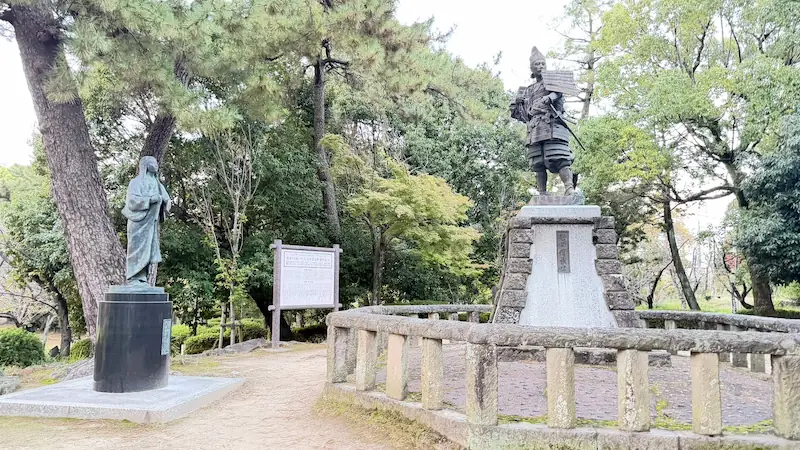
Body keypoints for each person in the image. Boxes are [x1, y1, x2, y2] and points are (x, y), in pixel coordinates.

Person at [511, 46, 577, 196]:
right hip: (535, 128)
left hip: (552, 125)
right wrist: (519, 102)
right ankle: (542, 193)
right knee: (537, 161)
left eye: (542, 64)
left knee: (559, 156)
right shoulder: (528, 89)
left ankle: (569, 188)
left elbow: (558, 92)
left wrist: (550, 98)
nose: (540, 67)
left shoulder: (552, 81)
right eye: (537, 64)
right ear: (531, 68)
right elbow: (522, 113)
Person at [122, 156, 171, 285]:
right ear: (145, 165)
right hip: (138, 222)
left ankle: (142, 277)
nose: (156, 164)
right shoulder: (136, 182)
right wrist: (150, 200)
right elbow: (132, 201)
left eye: (156, 162)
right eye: (152, 162)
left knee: (148, 251)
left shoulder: (157, 184)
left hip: (150, 223)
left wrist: (166, 203)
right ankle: (134, 277)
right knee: (136, 249)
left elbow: (166, 199)